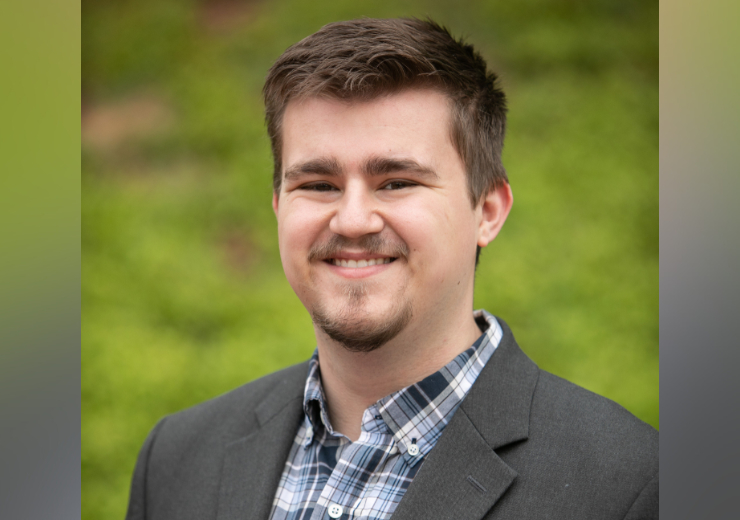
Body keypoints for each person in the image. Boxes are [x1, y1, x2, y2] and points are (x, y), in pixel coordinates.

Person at [125, 18, 657, 520]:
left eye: (397, 181)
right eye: (317, 184)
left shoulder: (632, 485)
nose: (353, 220)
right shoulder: (176, 460)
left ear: (487, 211)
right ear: (279, 207)